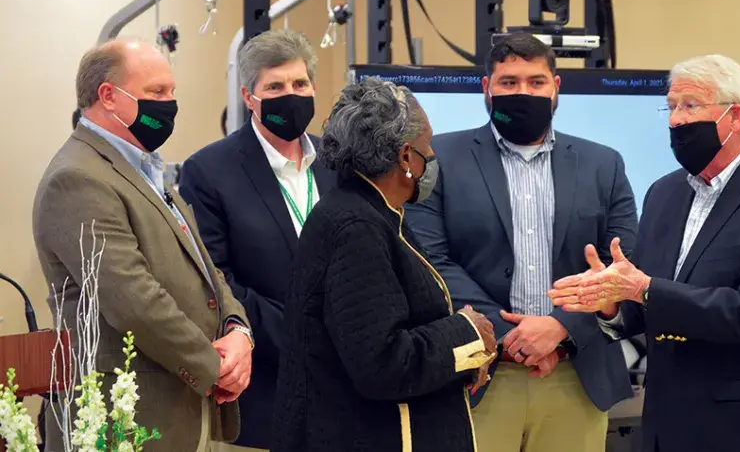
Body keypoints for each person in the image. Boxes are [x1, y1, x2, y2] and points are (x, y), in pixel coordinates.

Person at [549, 54, 740, 452]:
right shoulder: (665, 192)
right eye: (672, 106)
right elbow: (649, 304)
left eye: (691, 105)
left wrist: (643, 289)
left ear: (735, 117)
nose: (676, 120)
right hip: (665, 422)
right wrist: (611, 302)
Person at [404, 32, 638, 452]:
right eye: (509, 82)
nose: (523, 92)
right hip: (475, 375)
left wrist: (560, 328)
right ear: (487, 88)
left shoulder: (604, 164)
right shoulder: (438, 158)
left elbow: (620, 264)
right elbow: (430, 260)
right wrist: (511, 337)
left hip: (577, 375)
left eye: (536, 82)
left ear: (556, 87)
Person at [33, 38, 254, 452]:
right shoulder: (77, 178)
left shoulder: (144, 168)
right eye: (156, 92)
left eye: (172, 92)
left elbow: (204, 269)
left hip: (181, 409)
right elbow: (133, 300)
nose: (170, 104)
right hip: (126, 421)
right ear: (108, 96)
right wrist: (215, 366)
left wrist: (237, 330)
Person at [272, 77, 497, 452]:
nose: (433, 156)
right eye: (428, 145)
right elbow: (383, 364)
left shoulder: (372, 212)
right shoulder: (356, 227)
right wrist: (467, 331)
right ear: (406, 157)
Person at [179, 29, 336, 451]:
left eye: (300, 83)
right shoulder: (209, 171)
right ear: (249, 97)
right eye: (275, 87)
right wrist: (303, 338)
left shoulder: (338, 163)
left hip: (346, 398)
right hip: (266, 393)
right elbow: (214, 281)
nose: (291, 95)